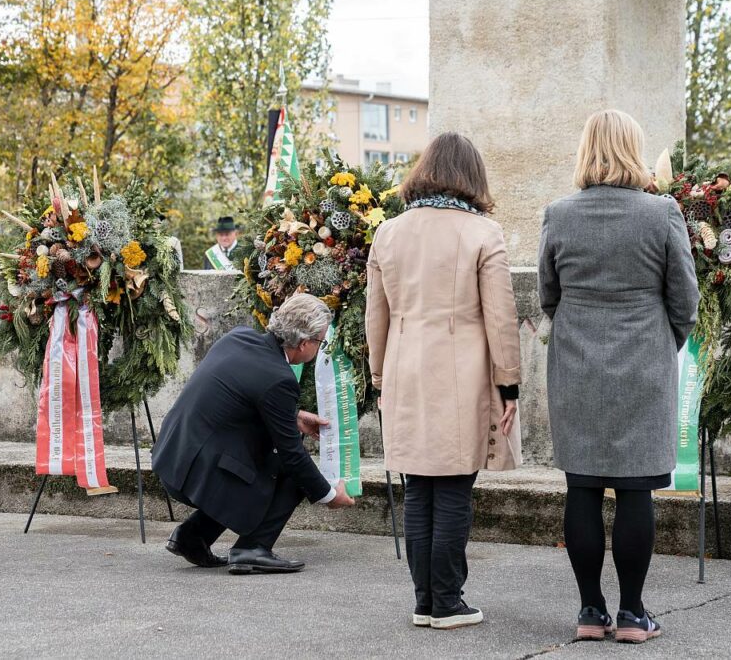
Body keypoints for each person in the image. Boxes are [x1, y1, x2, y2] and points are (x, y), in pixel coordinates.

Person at [538, 109, 699, 644]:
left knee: (580, 487)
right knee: (635, 493)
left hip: (576, 364)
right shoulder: (662, 213)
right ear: (634, 149)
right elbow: (685, 299)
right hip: (642, 363)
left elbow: (548, 295)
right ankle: (632, 614)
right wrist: (662, 343)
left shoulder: (559, 215)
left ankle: (589, 612)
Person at [366, 131, 522, 629]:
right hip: (462, 372)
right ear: (472, 176)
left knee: (419, 489)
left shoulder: (388, 232)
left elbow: (376, 316)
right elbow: (501, 317)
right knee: (454, 487)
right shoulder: (482, 233)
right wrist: (509, 383)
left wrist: (378, 374)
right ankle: (448, 601)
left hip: (404, 368)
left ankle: (424, 600)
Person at [152, 293, 355, 575]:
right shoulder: (279, 378)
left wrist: (292, 416)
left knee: (263, 457)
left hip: (172, 459)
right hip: (197, 473)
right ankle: (253, 548)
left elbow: (235, 397)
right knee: (291, 470)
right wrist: (329, 495)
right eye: (321, 341)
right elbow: (293, 457)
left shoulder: (238, 337)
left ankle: (192, 537)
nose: (319, 348)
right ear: (305, 343)